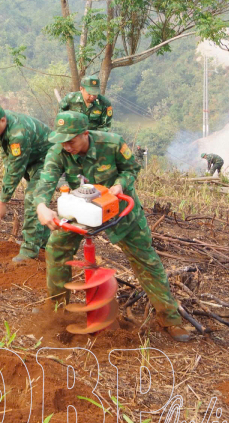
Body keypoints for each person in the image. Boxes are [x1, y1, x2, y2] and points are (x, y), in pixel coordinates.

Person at [35, 111, 189, 342]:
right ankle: (57, 310)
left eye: (71, 140)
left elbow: (131, 169)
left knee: (145, 258)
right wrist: (41, 206)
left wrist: (119, 186)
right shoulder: (59, 150)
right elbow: (46, 179)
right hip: (83, 209)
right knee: (56, 248)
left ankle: (170, 319)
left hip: (118, 208)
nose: (66, 146)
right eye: (62, 140)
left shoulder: (112, 143)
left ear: (85, 133)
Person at [0, 103, 52, 262]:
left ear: (2, 120)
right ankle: (43, 244)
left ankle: (30, 251)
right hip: (34, 159)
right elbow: (8, 158)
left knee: (33, 199)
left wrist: (2, 201)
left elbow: (15, 169)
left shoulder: (18, 134)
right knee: (35, 199)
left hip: (49, 161)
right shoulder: (3, 121)